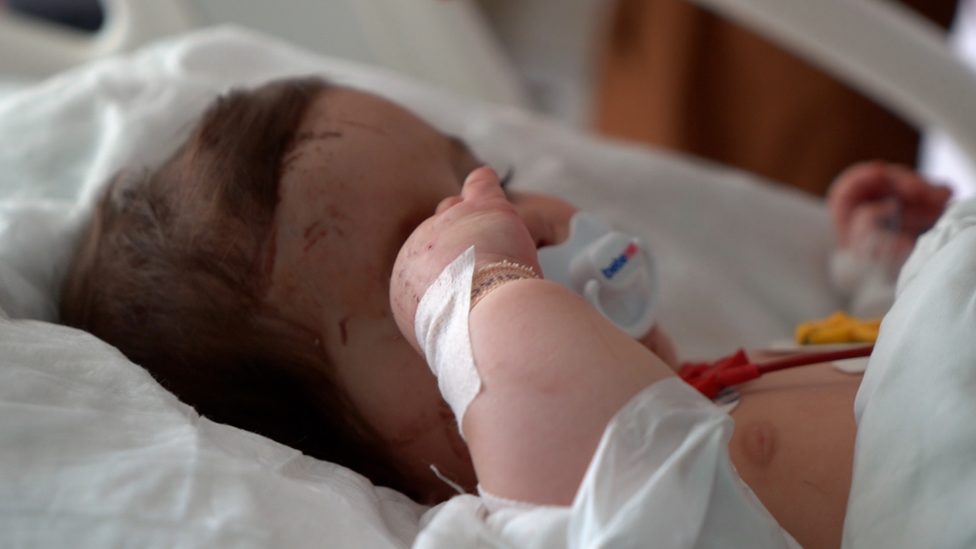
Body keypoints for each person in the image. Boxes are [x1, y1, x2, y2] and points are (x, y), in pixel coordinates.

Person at [59, 77, 950, 549]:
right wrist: (480, 293)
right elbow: (589, 438)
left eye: (489, 182)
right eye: (430, 253)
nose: (508, 223)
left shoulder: (696, 391)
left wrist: (878, 282)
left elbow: (889, 406)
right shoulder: (573, 510)